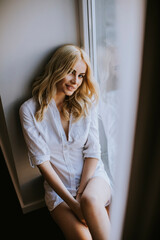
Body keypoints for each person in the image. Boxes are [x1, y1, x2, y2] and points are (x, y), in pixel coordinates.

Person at [19, 44, 111, 240]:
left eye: (81, 75)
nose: (76, 81)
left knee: (90, 200)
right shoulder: (28, 110)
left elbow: (94, 151)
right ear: (57, 68)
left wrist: (81, 196)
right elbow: (42, 163)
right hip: (59, 193)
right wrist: (73, 204)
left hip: (92, 179)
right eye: (71, 72)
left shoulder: (87, 102)